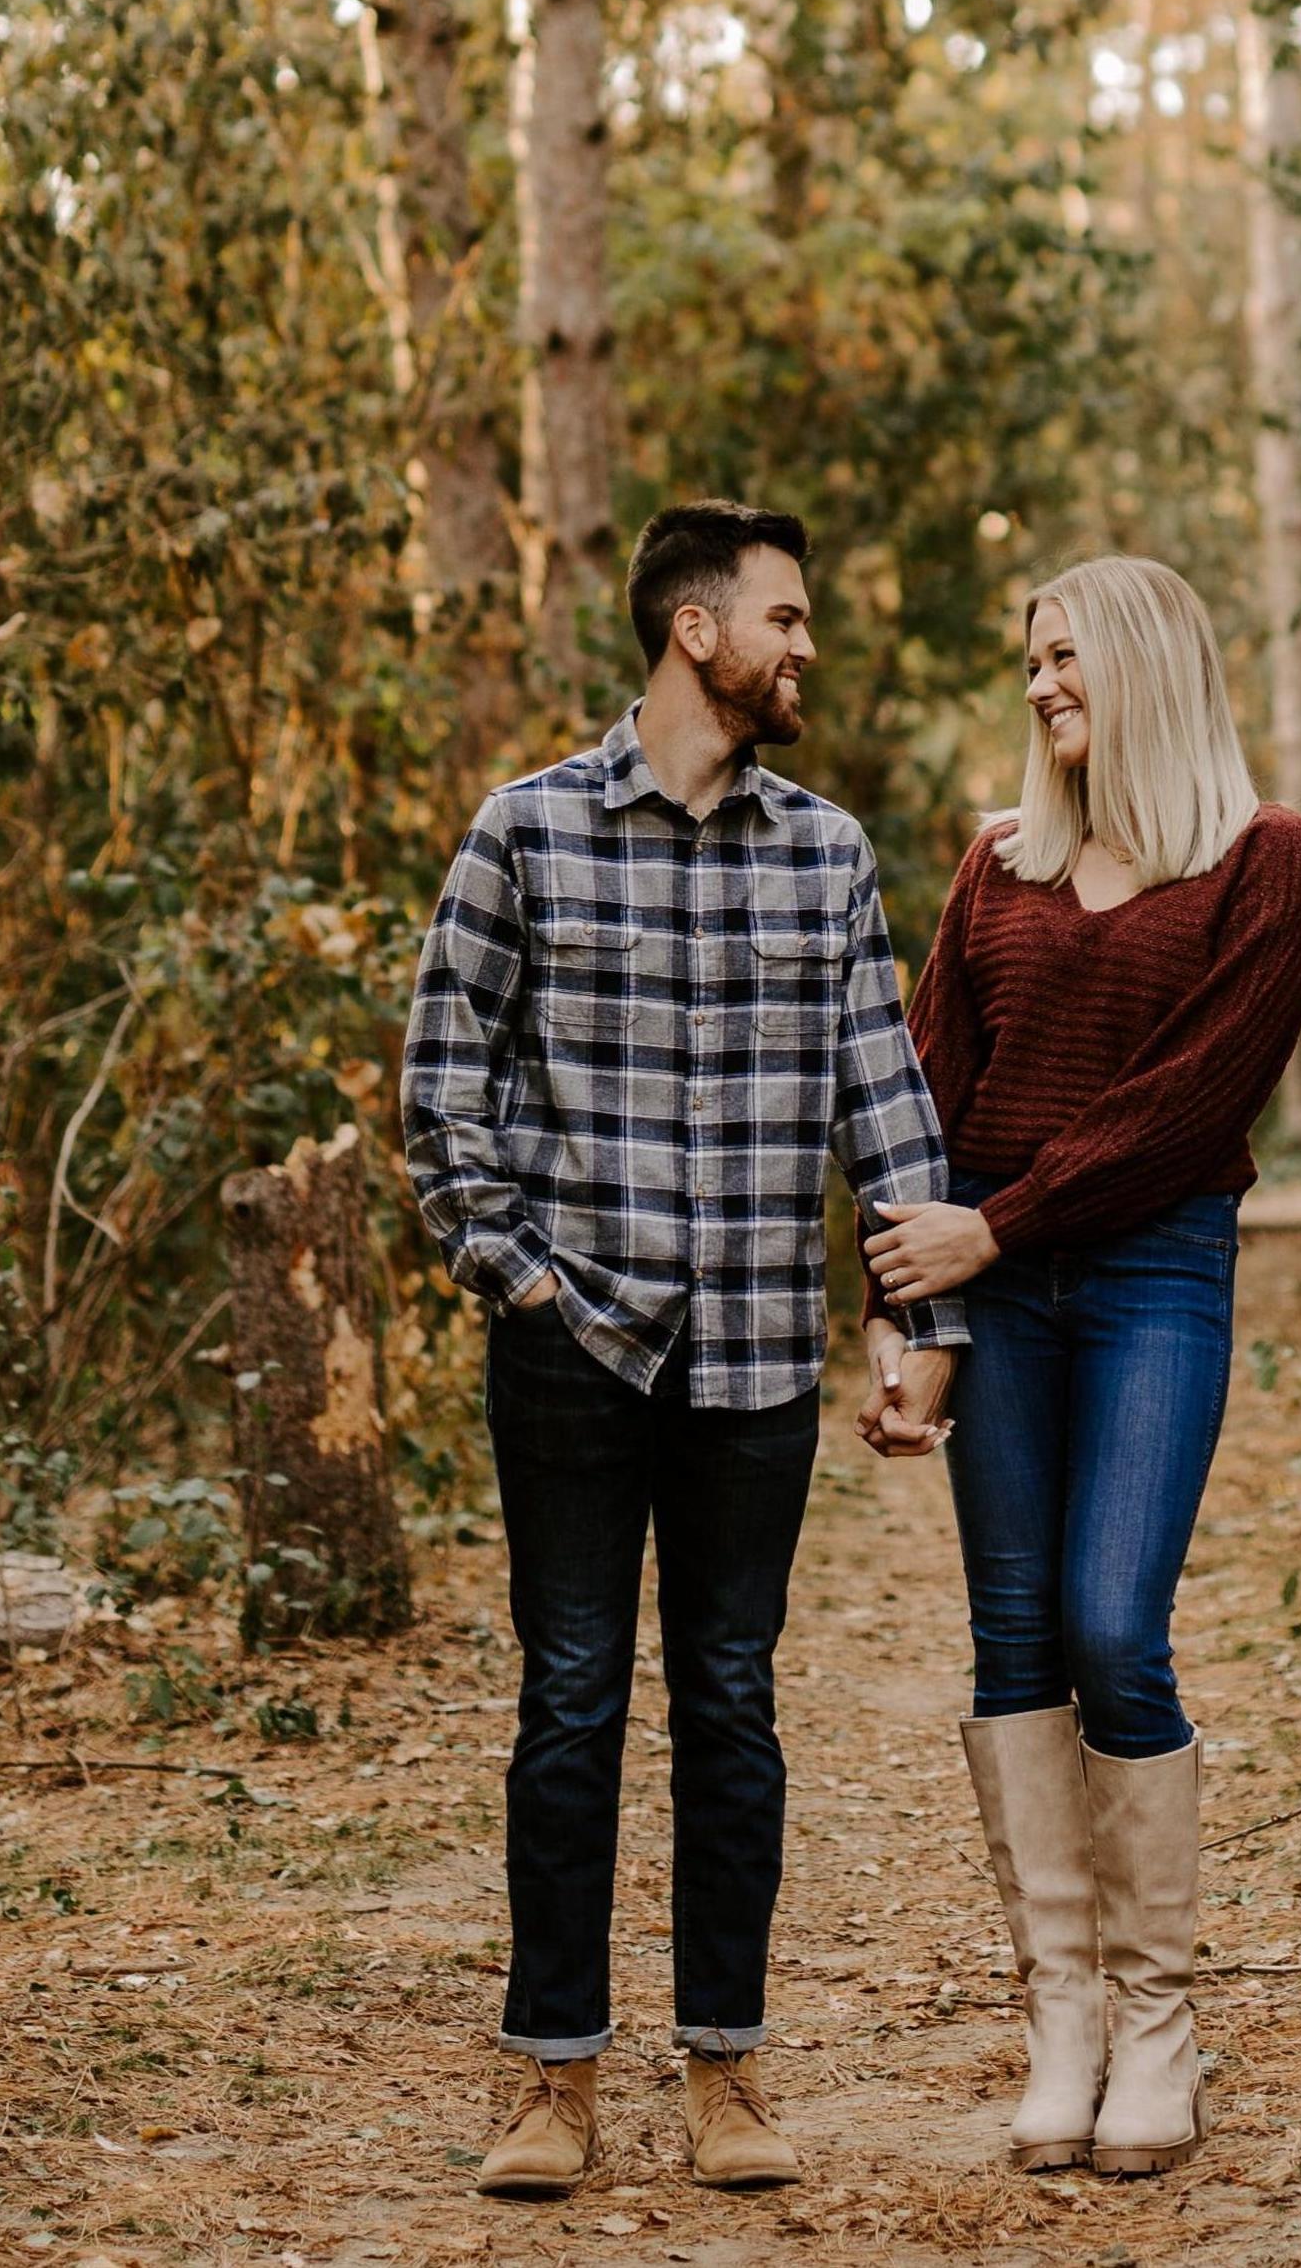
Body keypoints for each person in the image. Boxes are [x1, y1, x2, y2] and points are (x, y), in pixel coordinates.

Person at [404, 500, 967, 2203]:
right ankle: (551, 2075)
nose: (806, 647)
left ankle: (726, 2065)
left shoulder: (825, 852)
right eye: (783, 617)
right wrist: (522, 1279)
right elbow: (441, 1088)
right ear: (693, 630)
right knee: (569, 1700)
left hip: (752, 1365)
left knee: (731, 1699)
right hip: (572, 1348)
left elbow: (883, 1098)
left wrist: (917, 1314)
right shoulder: (525, 830)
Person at [861, 556, 1301, 2181]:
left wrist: (994, 1228)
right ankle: (1062, 2020)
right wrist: (900, 1314)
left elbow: (1192, 1102)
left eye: (1064, 655)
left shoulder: (1264, 857)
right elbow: (922, 1091)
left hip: (1148, 1272)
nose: (1041, 682)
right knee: (1013, 1637)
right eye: (1031, 660)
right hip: (986, 1285)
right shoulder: (998, 864)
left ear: (1142, 661)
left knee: (1112, 1623)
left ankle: (1157, 2024)